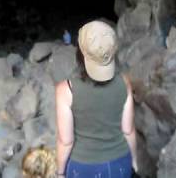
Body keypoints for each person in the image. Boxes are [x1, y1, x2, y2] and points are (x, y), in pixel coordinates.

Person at [55, 20, 138, 178]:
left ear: (80, 53)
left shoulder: (65, 90)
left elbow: (66, 141)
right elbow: (129, 131)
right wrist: (133, 161)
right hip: (120, 163)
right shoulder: (124, 82)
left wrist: (60, 173)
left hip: (83, 168)